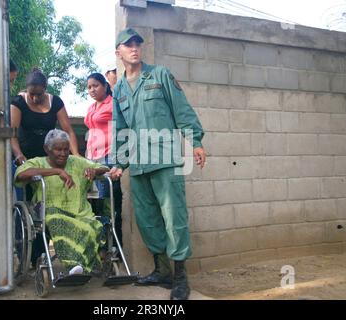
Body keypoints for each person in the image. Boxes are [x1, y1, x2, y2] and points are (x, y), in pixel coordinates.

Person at [109, 28, 206, 300]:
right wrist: (120, 163)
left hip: (166, 160)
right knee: (148, 221)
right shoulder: (118, 91)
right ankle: (161, 271)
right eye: (128, 45)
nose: (134, 48)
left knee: (173, 218)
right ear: (119, 52)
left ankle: (179, 278)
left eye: (137, 43)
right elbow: (120, 130)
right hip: (138, 166)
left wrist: (195, 141)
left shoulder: (160, 75)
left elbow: (182, 110)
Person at [11, 68, 80, 267]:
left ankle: (43, 253)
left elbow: (68, 130)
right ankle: (27, 256)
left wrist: (75, 156)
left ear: (45, 89)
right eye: (31, 93)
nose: (34, 97)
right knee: (26, 206)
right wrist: (19, 156)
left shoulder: (55, 102)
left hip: (50, 160)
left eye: (38, 94)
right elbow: (12, 135)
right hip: (27, 161)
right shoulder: (18, 102)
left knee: (47, 205)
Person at [15, 129, 109, 275]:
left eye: (66, 149)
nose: (63, 153)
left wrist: (94, 171)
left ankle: (81, 267)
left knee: (93, 227)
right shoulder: (38, 162)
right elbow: (21, 174)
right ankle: (74, 266)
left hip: (79, 212)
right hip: (50, 210)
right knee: (56, 220)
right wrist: (56, 171)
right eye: (58, 149)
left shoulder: (76, 162)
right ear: (47, 149)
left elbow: (104, 168)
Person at [84, 73, 123, 249]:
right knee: (96, 203)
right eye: (89, 87)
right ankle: (101, 246)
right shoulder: (92, 107)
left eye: (96, 86)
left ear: (105, 86)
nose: (92, 89)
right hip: (92, 159)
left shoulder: (113, 104)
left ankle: (114, 246)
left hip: (108, 157)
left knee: (109, 202)